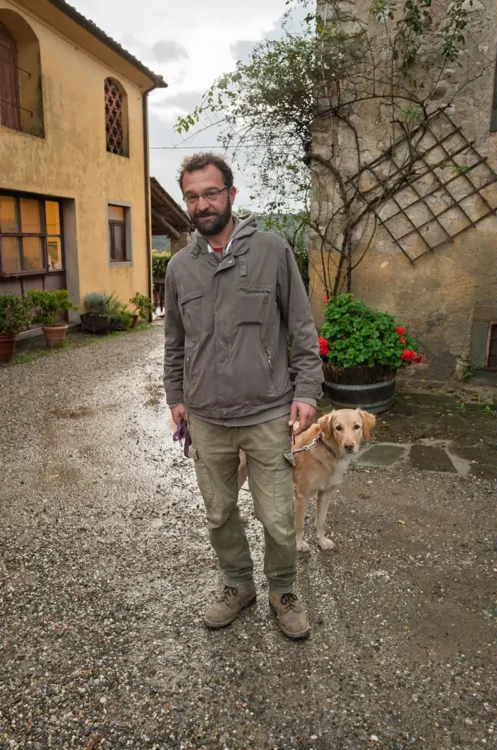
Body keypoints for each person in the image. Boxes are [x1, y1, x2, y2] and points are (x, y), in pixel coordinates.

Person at [163, 152, 323, 640]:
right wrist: (175, 396)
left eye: (211, 192)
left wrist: (307, 389)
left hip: (267, 412)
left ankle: (283, 590)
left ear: (231, 194)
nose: (202, 204)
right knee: (219, 513)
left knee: (278, 516)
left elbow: (301, 326)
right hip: (206, 417)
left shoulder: (272, 251)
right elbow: (174, 341)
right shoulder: (180, 268)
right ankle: (238, 584)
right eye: (192, 196)